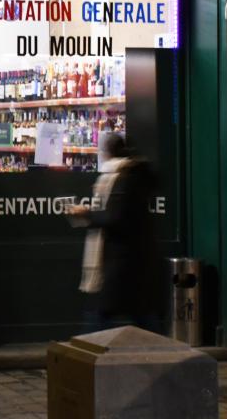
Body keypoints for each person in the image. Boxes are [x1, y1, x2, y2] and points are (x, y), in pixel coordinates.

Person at [68, 133, 160, 332]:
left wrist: (86, 213)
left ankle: (88, 349)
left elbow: (114, 217)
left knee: (99, 315)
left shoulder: (119, 178)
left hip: (120, 260)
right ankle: (160, 347)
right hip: (137, 259)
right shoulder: (135, 174)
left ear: (107, 153)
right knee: (142, 314)